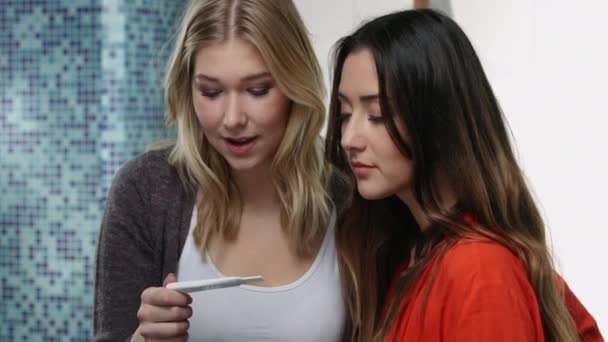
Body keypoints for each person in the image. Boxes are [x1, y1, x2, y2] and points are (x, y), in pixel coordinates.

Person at [325, 9, 604, 342]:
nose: (347, 139)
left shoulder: (479, 270)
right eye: (344, 114)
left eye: (377, 115)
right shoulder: (413, 258)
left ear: (437, 120)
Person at [94, 0, 346, 341]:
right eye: (211, 92)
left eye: (257, 90)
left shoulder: (347, 192)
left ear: (294, 84)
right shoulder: (145, 191)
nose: (232, 119)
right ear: (188, 89)